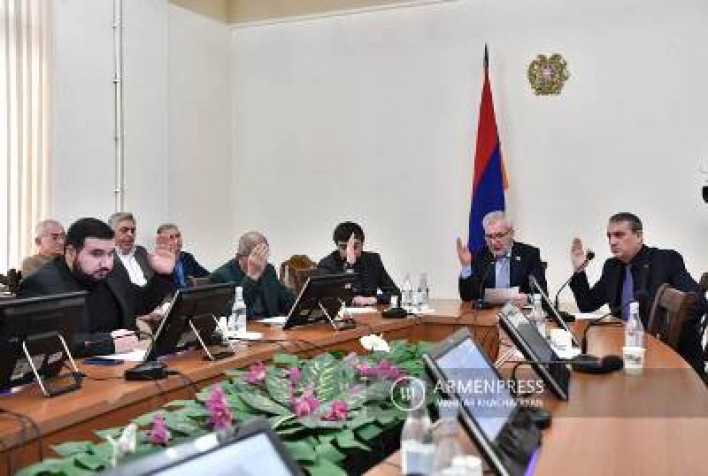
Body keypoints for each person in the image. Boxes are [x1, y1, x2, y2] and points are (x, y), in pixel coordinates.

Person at [569, 212, 706, 375]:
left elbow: (699, 304)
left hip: (671, 358)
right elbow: (587, 304)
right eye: (609, 236)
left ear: (639, 236)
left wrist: (664, 328)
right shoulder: (612, 267)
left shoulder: (665, 260)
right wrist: (579, 271)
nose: (612, 242)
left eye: (619, 235)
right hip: (627, 350)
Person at [17, 218, 176, 357]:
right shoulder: (41, 284)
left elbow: (140, 303)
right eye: (96, 254)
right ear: (71, 252)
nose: (106, 263)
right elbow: (39, 344)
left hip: (125, 364)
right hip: (76, 372)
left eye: (110, 254)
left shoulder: (114, 271)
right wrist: (107, 342)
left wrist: (161, 276)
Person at [456, 211, 547, 306]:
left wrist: (528, 299)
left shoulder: (529, 255)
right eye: (489, 236)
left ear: (511, 233)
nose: (493, 242)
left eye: (499, 235)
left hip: (519, 312)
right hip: (487, 313)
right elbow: (467, 297)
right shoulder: (479, 256)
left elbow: (543, 295)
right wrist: (466, 266)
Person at [209, 231, 295, 318]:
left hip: (269, 325)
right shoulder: (220, 277)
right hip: (244, 325)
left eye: (264, 256)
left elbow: (288, 304)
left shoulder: (268, 270)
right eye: (256, 257)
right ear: (239, 256)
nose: (262, 262)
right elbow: (227, 315)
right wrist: (251, 278)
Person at [318, 221, 400, 306]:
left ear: (362, 244)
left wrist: (374, 299)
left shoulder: (373, 260)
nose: (349, 252)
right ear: (337, 246)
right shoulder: (326, 265)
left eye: (355, 246)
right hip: (343, 314)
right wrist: (349, 266)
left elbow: (396, 294)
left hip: (371, 313)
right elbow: (329, 300)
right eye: (343, 247)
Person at [157, 223, 209, 289]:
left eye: (178, 236)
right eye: (171, 237)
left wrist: (197, 281)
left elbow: (207, 276)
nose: (176, 240)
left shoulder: (187, 257)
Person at [108, 212, 152, 286]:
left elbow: (152, 279)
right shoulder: (107, 257)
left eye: (133, 231)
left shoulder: (141, 251)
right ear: (111, 233)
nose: (130, 234)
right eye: (124, 230)